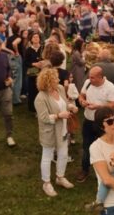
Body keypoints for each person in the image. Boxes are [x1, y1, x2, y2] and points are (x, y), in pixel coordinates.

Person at [34, 68, 78, 197]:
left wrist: (71, 107)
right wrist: (59, 115)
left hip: (63, 129)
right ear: (48, 82)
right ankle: (46, 183)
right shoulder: (40, 98)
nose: (59, 80)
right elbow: (44, 118)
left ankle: (60, 177)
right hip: (49, 132)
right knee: (47, 157)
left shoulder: (59, 88)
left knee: (63, 154)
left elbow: (65, 102)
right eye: (55, 78)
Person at [76, 66, 114, 183]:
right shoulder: (88, 83)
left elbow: (113, 105)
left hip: (103, 124)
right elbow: (81, 94)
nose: (90, 79)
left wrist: (98, 106)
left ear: (100, 77)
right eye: (89, 76)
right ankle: (85, 170)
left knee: (105, 147)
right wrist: (82, 101)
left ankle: (106, 172)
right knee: (86, 146)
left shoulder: (110, 87)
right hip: (88, 121)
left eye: (93, 77)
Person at [24, 33, 43, 112]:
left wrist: (41, 63)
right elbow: (25, 62)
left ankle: (42, 106)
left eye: (37, 37)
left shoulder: (43, 48)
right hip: (32, 73)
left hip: (42, 72)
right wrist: (34, 64)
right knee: (32, 90)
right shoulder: (28, 50)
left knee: (41, 89)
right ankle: (33, 108)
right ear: (31, 39)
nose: (35, 38)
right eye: (34, 37)